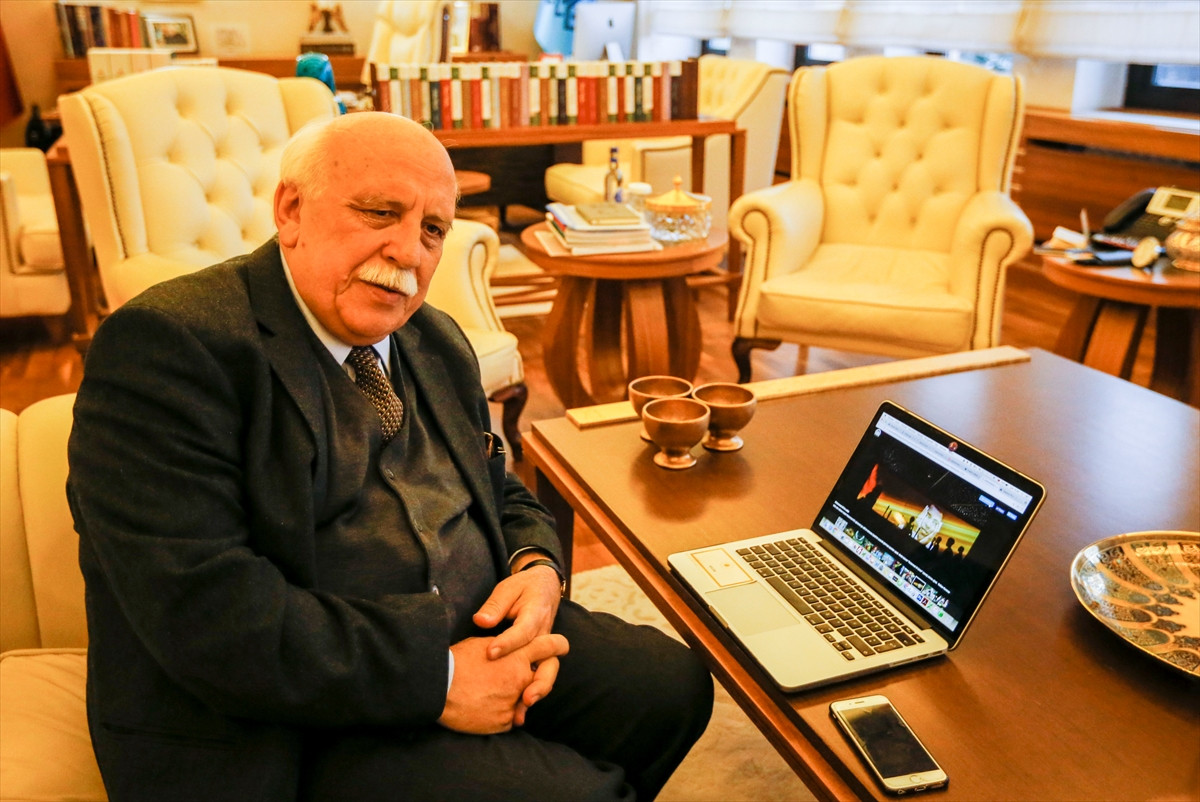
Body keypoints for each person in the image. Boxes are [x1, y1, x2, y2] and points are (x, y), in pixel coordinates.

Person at [67, 112, 713, 801]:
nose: (409, 251)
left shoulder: (435, 339)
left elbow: (496, 484)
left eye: (433, 229)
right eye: (380, 212)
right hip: (293, 706)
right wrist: (442, 680)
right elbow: (209, 613)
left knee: (668, 687)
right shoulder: (170, 346)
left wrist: (537, 568)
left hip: (475, 628)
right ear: (291, 209)